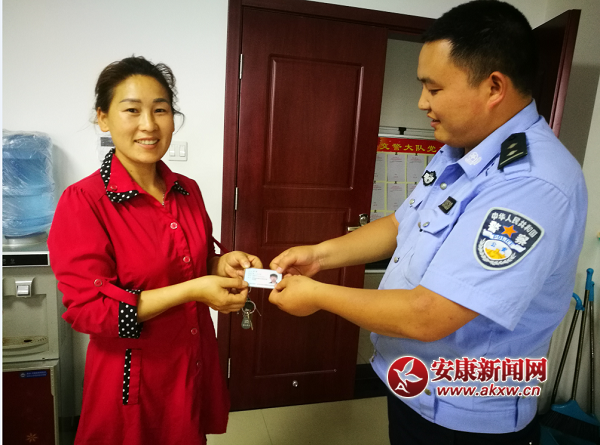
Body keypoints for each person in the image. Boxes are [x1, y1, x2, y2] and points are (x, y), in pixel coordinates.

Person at [268, 1, 587, 444]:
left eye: (433, 89)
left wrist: (317, 295)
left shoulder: (530, 183)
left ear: (494, 86)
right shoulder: (461, 149)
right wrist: (320, 255)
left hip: (465, 413)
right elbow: (403, 224)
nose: (422, 103)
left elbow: (429, 315)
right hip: (413, 382)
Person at [48, 56, 262, 445]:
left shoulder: (186, 189)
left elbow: (193, 263)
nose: (149, 124)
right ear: (103, 118)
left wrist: (222, 265)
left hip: (191, 362)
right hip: (133, 380)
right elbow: (89, 310)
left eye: (160, 110)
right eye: (132, 110)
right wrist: (194, 290)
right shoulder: (84, 202)